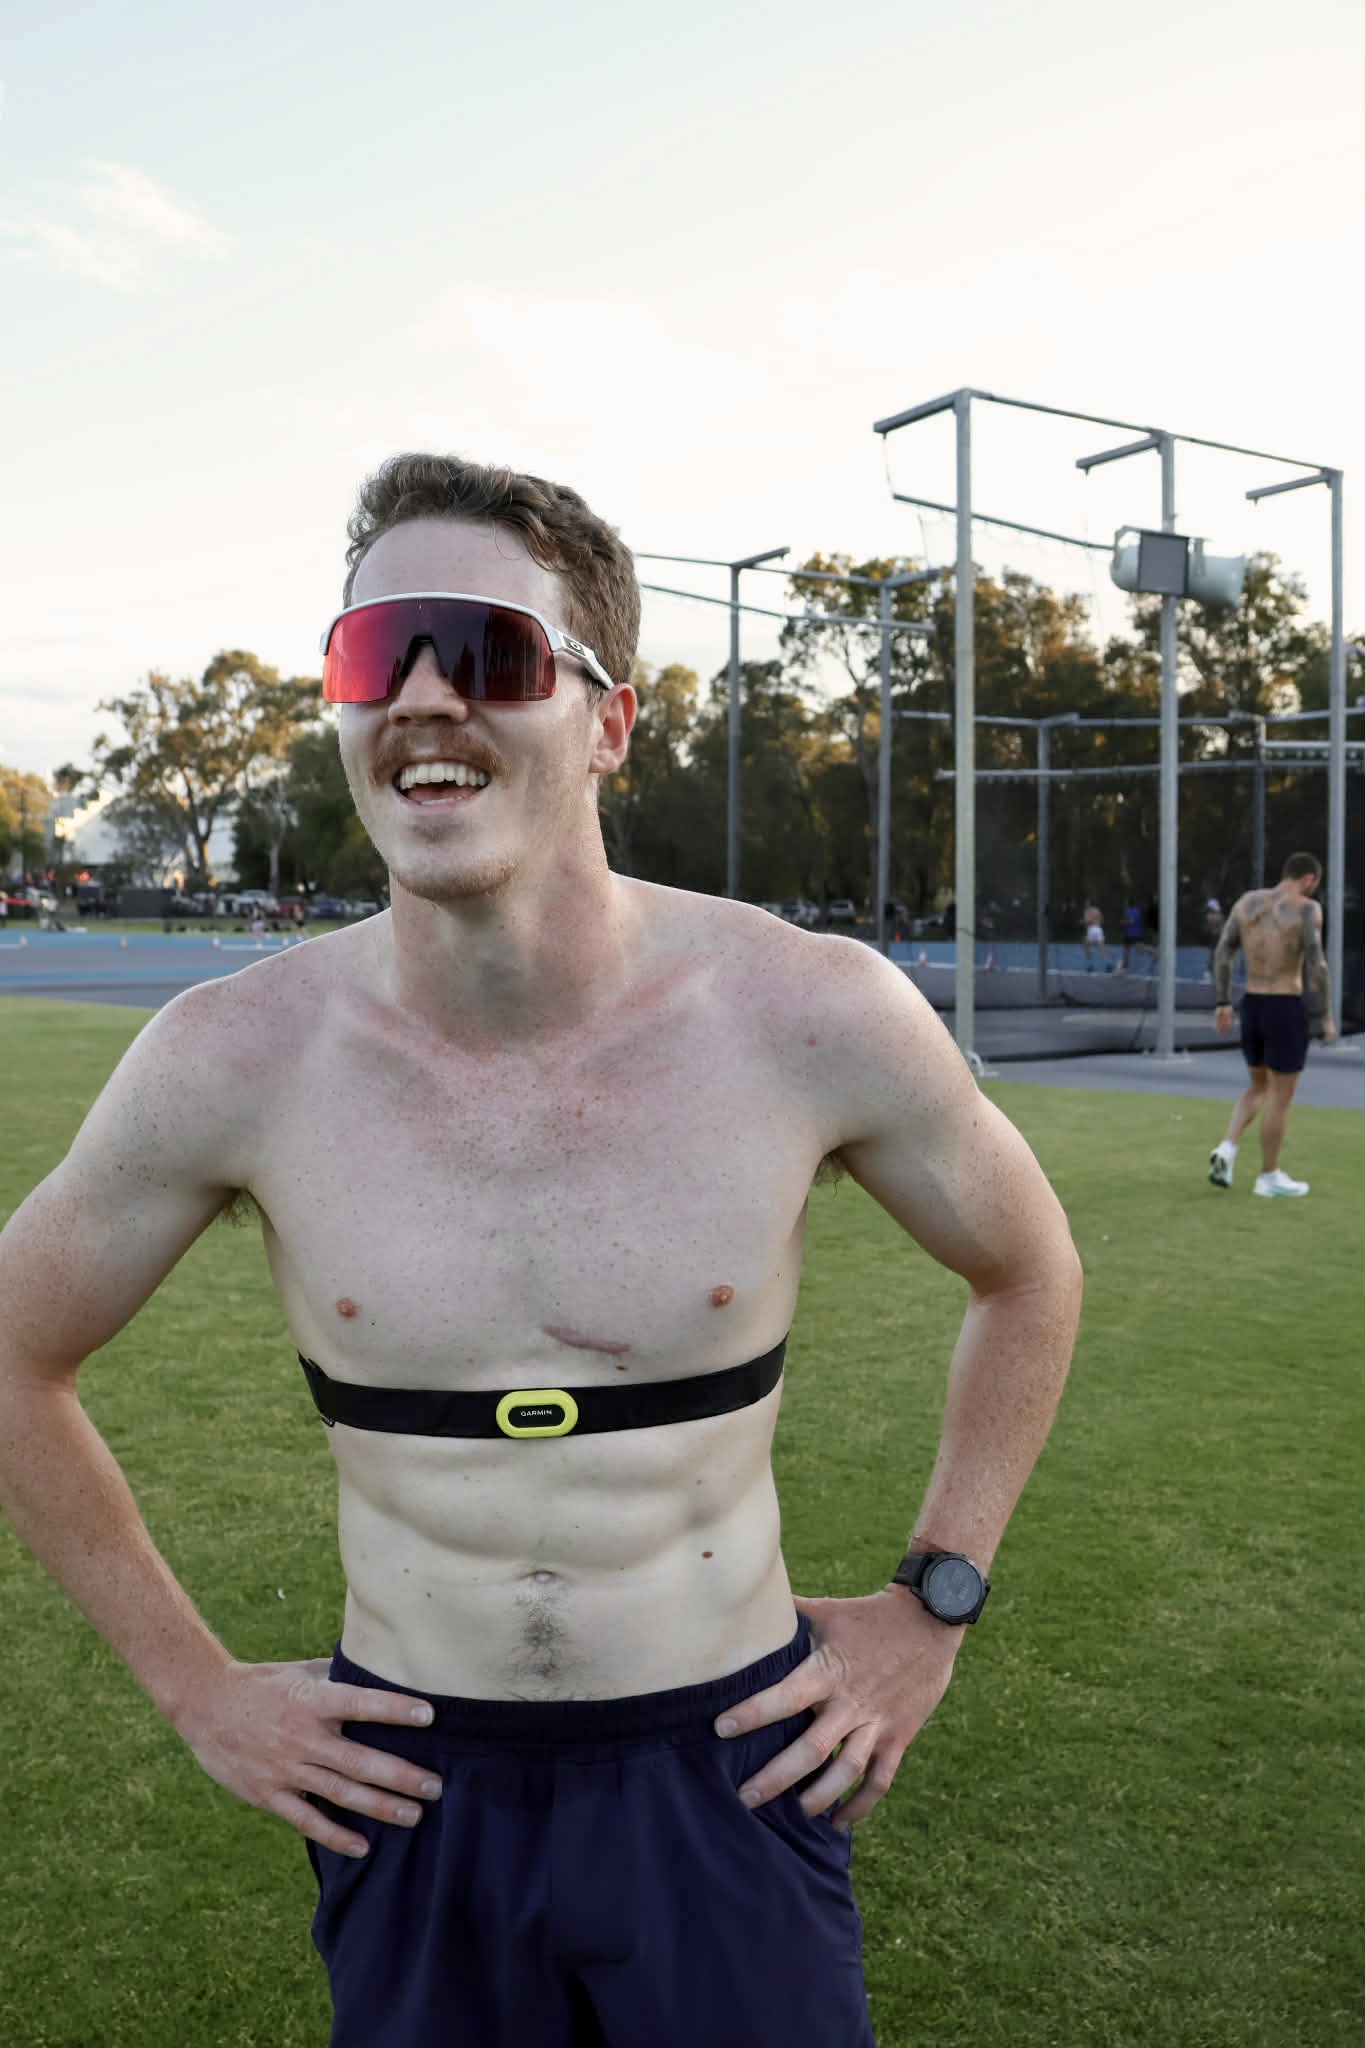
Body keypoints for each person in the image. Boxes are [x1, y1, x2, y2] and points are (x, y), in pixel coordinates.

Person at [0, 454, 1083, 2048]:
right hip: (409, 1790)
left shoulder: (810, 1012)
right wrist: (197, 1687)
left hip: (728, 1768)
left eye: (489, 651)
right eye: (377, 655)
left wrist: (937, 1597)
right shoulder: (232, 1057)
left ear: (610, 720)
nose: (425, 702)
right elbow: (18, 1351)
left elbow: (1028, 1269)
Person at [1207, 852, 1335, 1199]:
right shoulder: (1307, 909)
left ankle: (1227, 1148)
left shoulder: (1248, 903)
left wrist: (1222, 1001)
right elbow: (1316, 963)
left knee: (1258, 1087)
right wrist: (1325, 1014)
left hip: (1253, 1004)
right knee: (1280, 1097)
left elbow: (1223, 951)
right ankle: (1269, 1176)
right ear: (1309, 879)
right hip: (1284, 1005)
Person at [1118, 900, 1146, 976]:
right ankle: (1123, 969)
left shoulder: (1128, 911)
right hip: (1136, 933)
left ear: (1128, 904)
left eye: (1126, 903)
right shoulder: (1138, 910)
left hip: (1131, 934)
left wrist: (1123, 922)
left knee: (1130, 951)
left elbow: (1131, 921)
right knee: (1127, 951)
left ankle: (1123, 970)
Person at [1081, 900, 1109, 971]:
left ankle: (1090, 965)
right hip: (1099, 929)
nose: (1085, 904)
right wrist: (1097, 921)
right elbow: (1102, 919)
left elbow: (1088, 921)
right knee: (1101, 947)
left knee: (1086, 945)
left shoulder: (1087, 911)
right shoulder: (1097, 910)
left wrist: (1082, 922)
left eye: (1086, 903)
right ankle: (1108, 963)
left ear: (1089, 904)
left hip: (1092, 929)